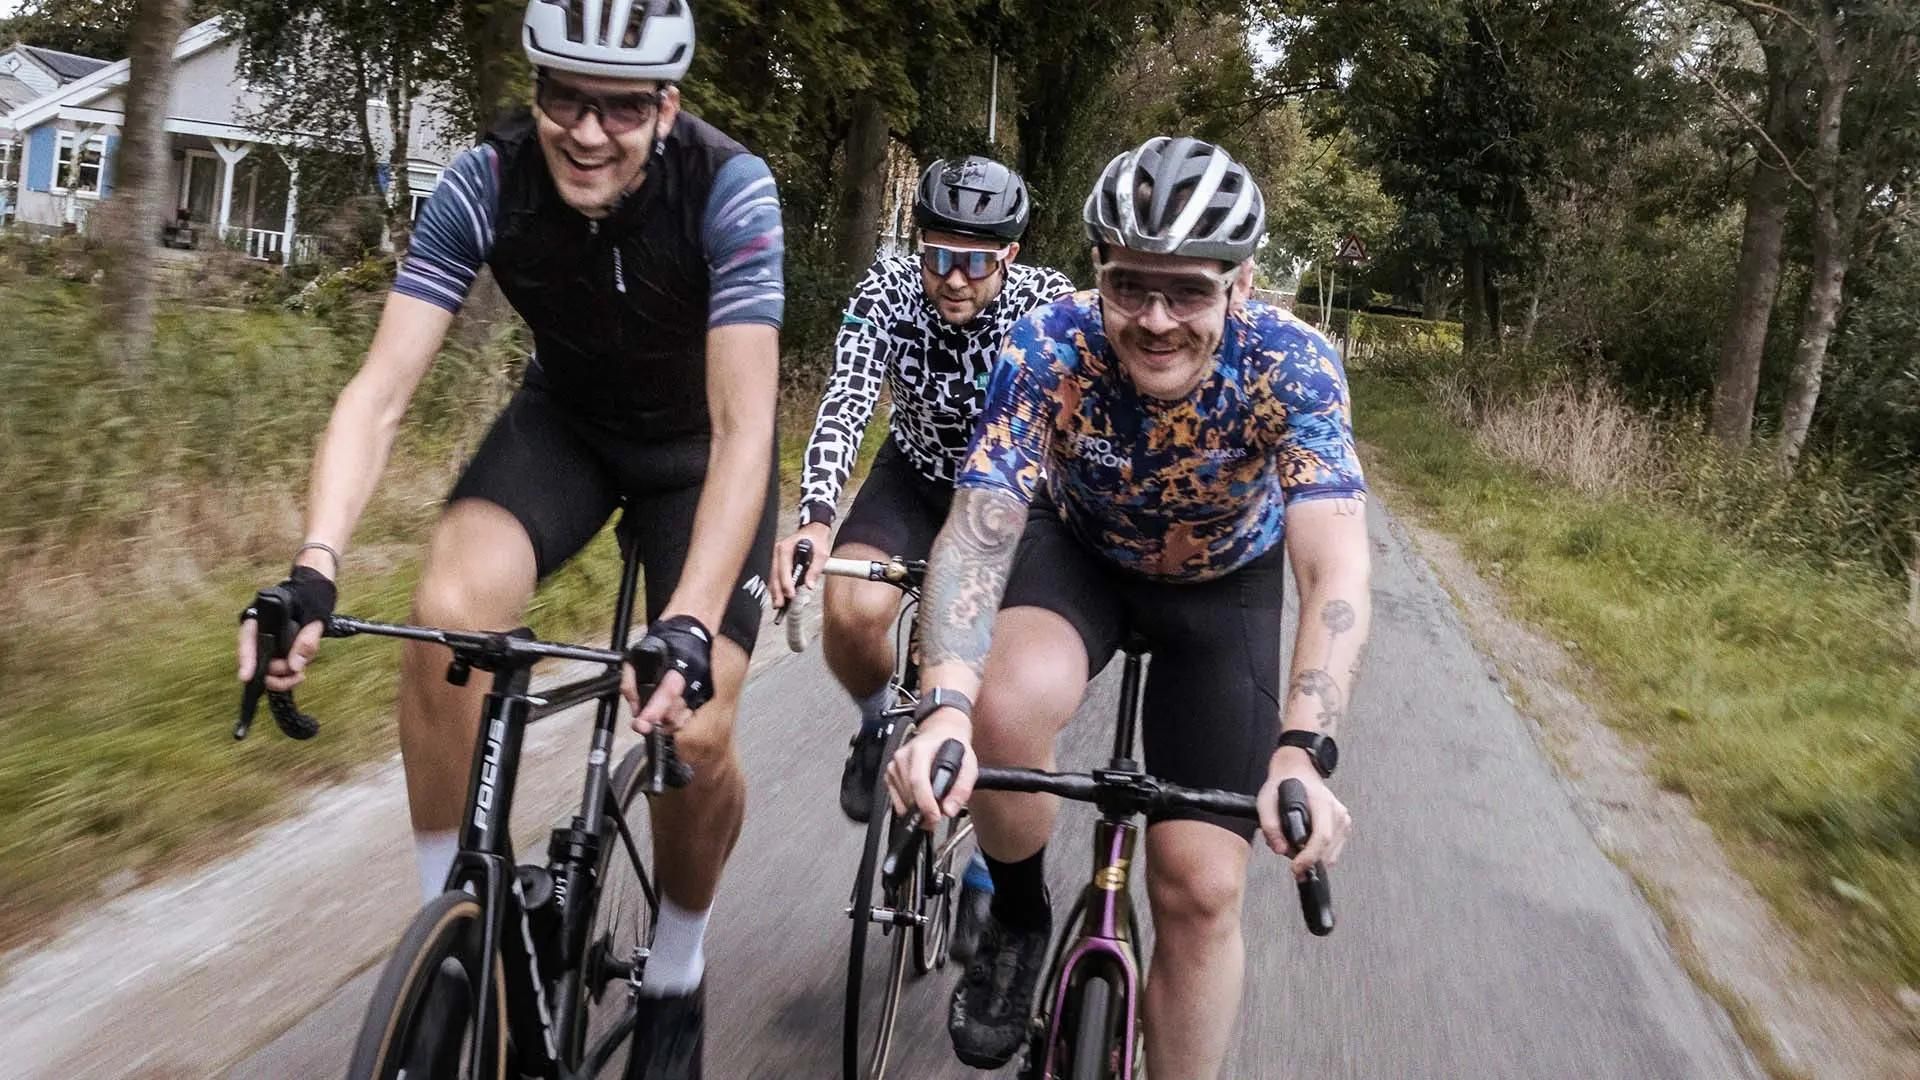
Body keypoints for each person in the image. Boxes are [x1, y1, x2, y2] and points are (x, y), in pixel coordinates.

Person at [236, 2, 781, 1074]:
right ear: (533, 89)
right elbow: (379, 395)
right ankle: (450, 936)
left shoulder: (729, 189)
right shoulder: (483, 179)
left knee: (698, 728)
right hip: (567, 430)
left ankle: (675, 970)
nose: (587, 131)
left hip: (698, 458)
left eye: (621, 106)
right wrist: (313, 565)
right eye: (563, 98)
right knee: (445, 622)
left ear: (666, 108)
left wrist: (682, 621)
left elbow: (744, 427)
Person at [886, 136, 1371, 1078]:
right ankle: (1018, 919)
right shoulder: (1048, 345)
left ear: (1240, 283)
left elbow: (1336, 568)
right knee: (1003, 704)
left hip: (1222, 586)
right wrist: (944, 698)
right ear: (1098, 274)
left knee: (1198, 888)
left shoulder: (1293, 365)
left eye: (1187, 291)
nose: (1154, 320)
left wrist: (1304, 749)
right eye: (1128, 287)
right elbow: (983, 529)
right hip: (1082, 557)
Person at [768, 155, 1073, 959]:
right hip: (915, 475)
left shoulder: (1048, 304)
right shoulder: (888, 291)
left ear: (1009, 256)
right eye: (938, 255)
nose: (953, 279)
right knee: (853, 606)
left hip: (1011, 498)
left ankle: (988, 868)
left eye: (975, 262)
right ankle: (876, 727)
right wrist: (816, 516)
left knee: (1002, 692)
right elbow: (845, 400)